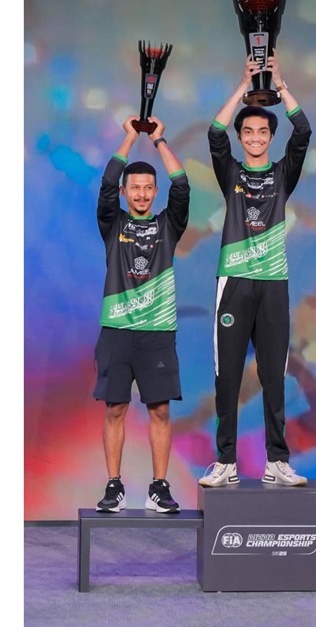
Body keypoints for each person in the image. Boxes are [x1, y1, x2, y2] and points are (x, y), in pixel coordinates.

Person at [198, 53, 312, 488]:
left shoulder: (283, 175)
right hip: (234, 283)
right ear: (241, 136)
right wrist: (243, 87)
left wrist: (279, 85)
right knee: (227, 374)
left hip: (273, 285)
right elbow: (214, 133)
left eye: (263, 132)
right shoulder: (230, 172)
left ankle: (276, 461)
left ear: (270, 137)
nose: (255, 138)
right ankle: (225, 462)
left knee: (273, 376)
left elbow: (303, 132)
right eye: (248, 132)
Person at [93, 115, 190, 514]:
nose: (143, 194)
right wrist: (131, 138)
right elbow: (105, 186)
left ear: (155, 192)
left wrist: (160, 141)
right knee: (115, 408)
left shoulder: (169, 225)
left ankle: (159, 487)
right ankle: (114, 486)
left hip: (157, 332)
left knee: (160, 410)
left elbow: (182, 186)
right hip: (117, 330)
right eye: (135, 187)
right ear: (125, 191)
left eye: (149, 188)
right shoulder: (112, 223)